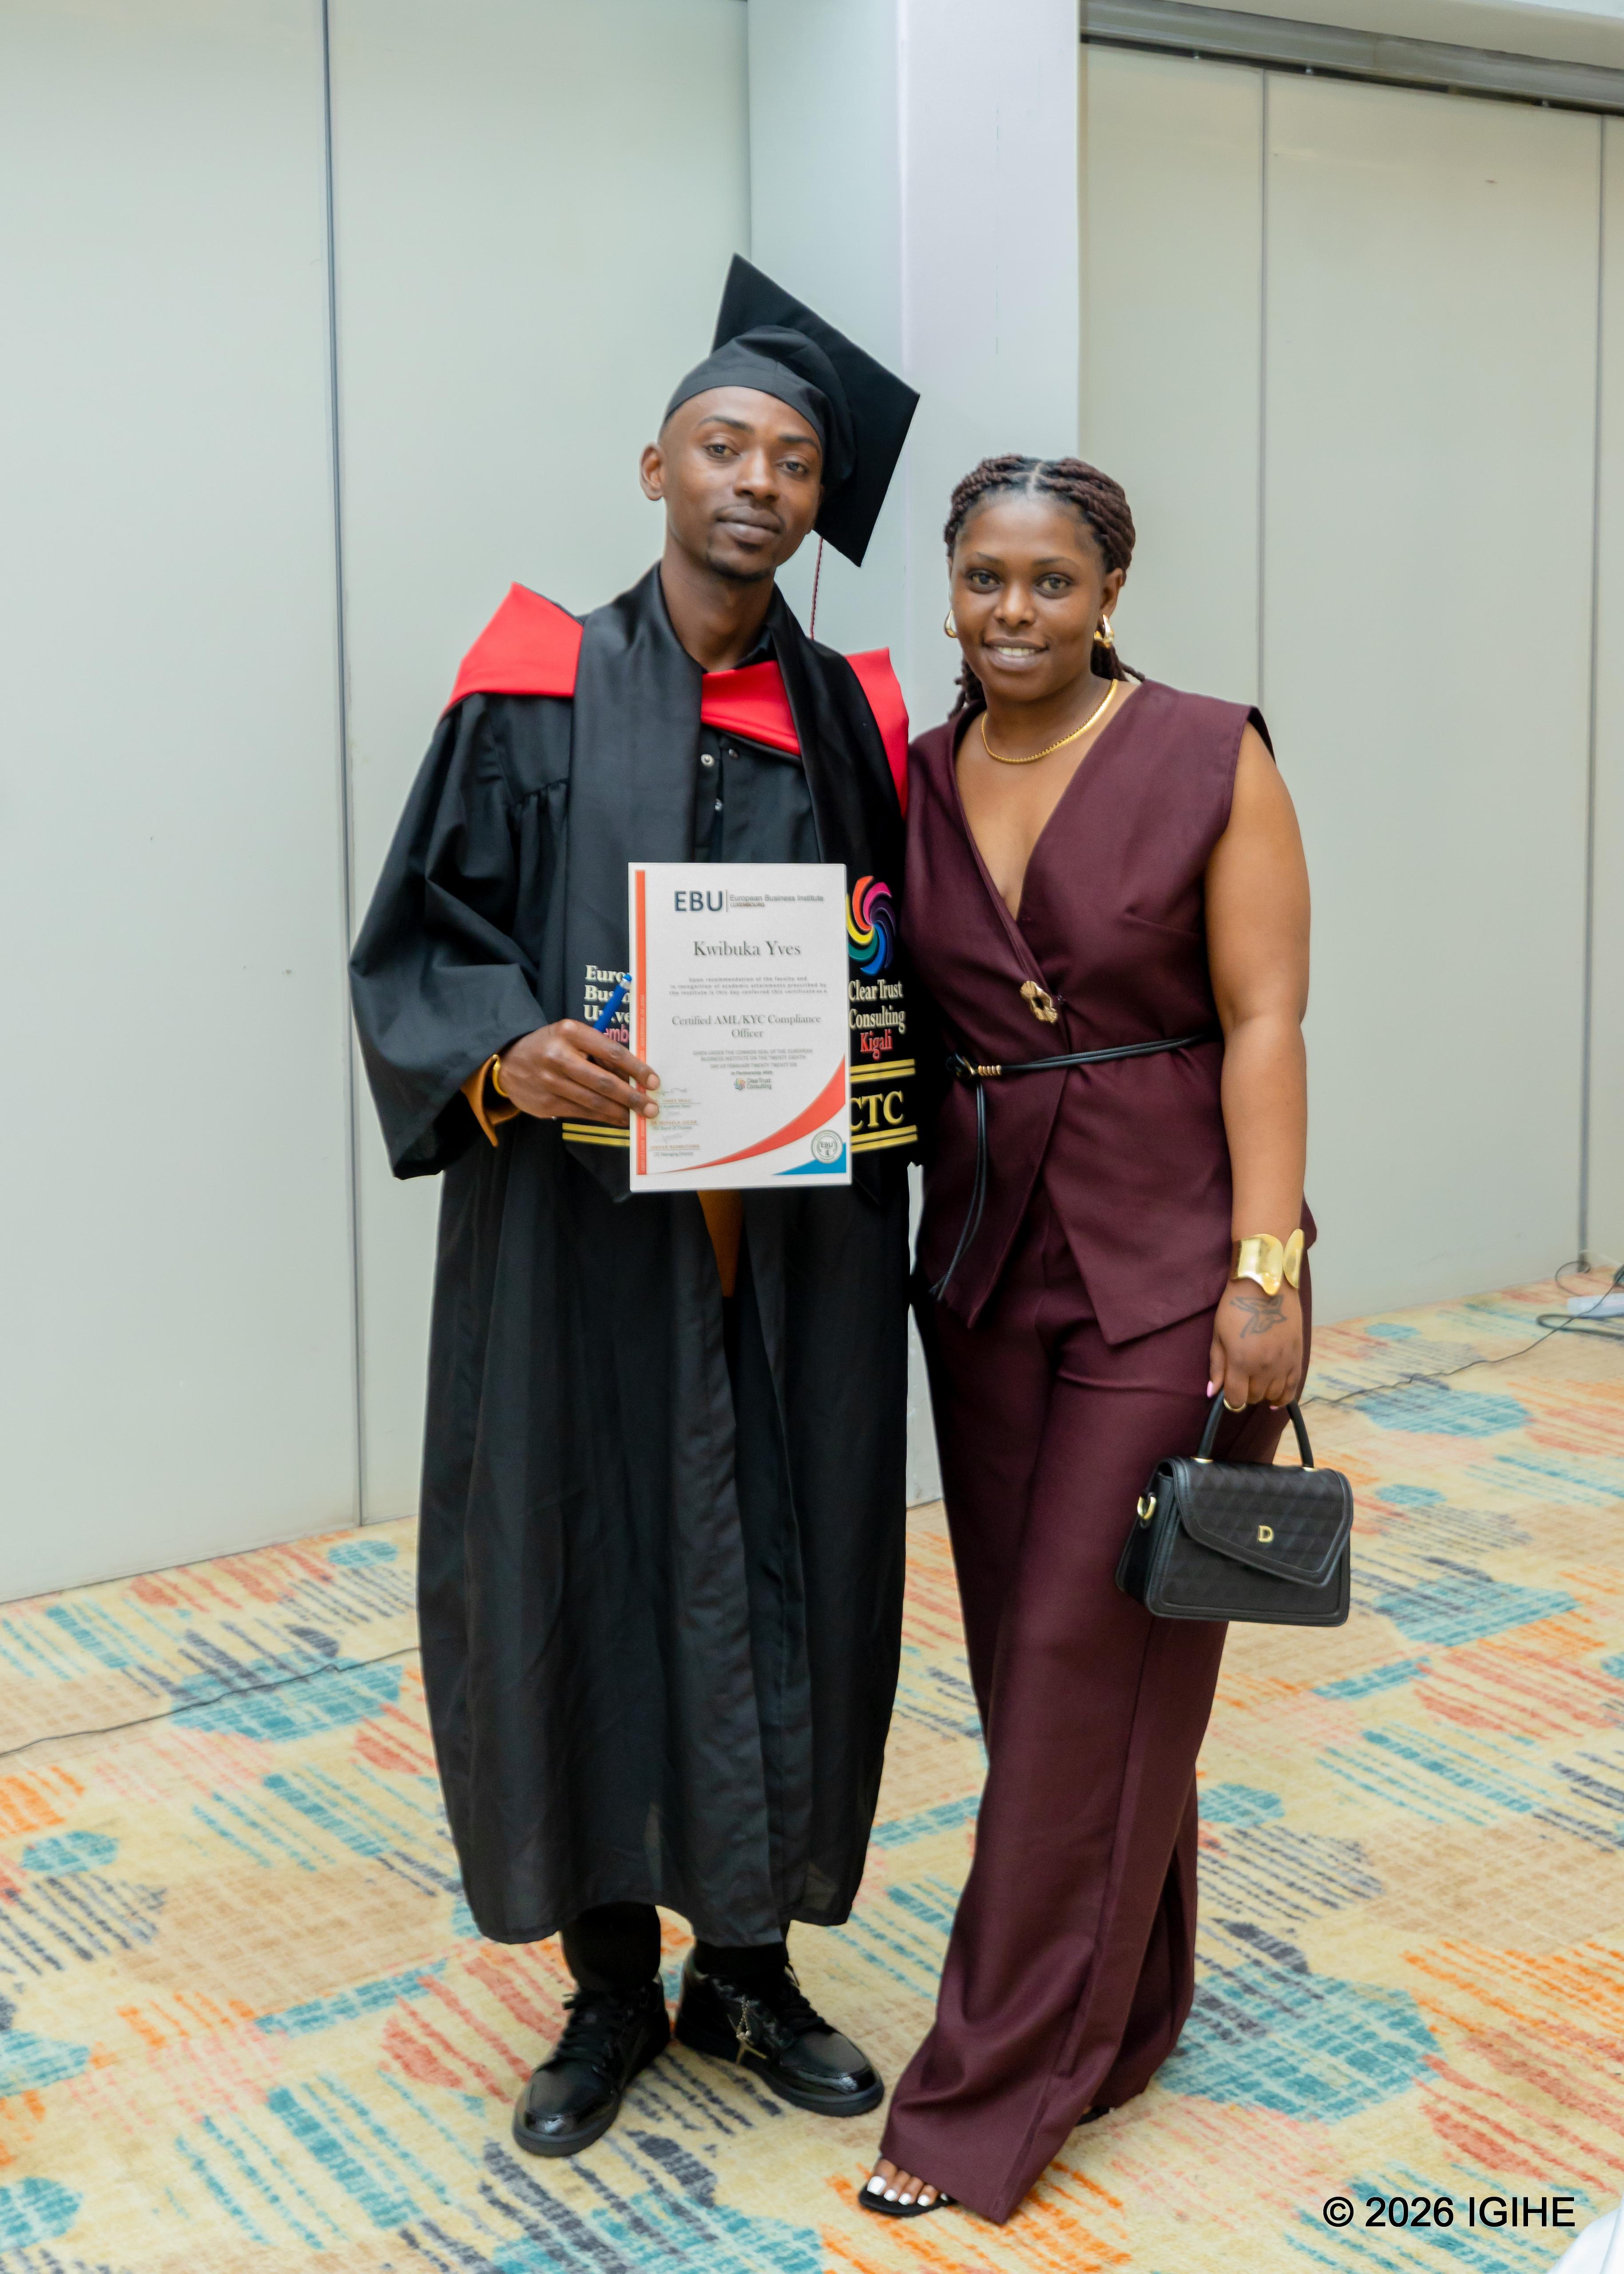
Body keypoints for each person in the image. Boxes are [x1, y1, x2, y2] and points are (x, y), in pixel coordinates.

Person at [350, 258, 921, 2159]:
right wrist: (508, 1053)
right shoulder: (529, 687)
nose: (758, 482)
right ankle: (608, 1985)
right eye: (723, 447)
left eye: (793, 460)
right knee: (575, 1562)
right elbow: (426, 936)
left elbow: (907, 959)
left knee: (792, 1565)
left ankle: (746, 1967)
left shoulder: (853, 716)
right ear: (656, 468)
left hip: (794, 1246)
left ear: (820, 498)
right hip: (579, 1241)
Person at [860, 454, 1312, 2224]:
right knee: (1044, 1668)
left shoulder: (1208, 751)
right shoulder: (915, 775)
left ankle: (983, 2095)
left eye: (1051, 580)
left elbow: (1264, 1017)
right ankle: (1124, 2009)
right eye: (985, 577)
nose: (1015, 610)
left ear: (1109, 590)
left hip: (1176, 1257)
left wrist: (1263, 1267)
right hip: (984, 1263)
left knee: (1077, 1659)